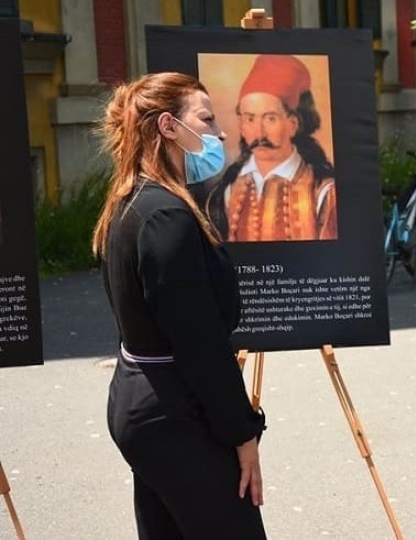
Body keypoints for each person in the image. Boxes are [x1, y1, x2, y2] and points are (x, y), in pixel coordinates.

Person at [92, 72, 268, 539]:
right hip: (176, 412)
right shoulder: (166, 214)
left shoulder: (132, 201)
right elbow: (200, 343)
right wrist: (242, 434)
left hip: (144, 401)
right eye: (206, 119)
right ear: (169, 126)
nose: (220, 133)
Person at [206, 54, 338, 241]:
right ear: (241, 125)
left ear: (293, 123)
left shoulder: (322, 191)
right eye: (250, 119)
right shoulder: (230, 189)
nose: (259, 134)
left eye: (270, 118)